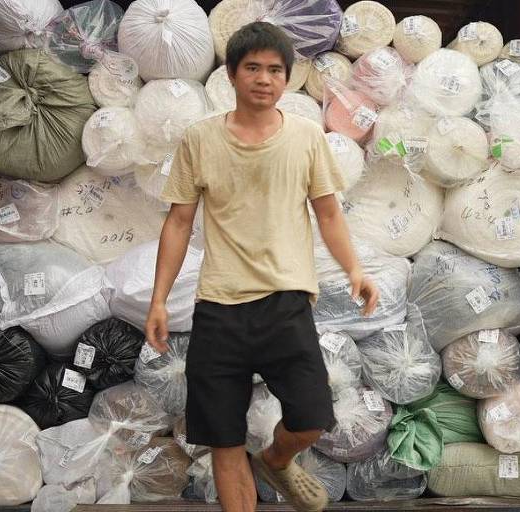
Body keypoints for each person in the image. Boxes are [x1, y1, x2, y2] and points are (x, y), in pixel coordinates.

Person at [145, 21, 379, 512]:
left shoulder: (306, 138)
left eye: (275, 69)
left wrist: (355, 270)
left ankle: (274, 459)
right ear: (231, 74)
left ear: (288, 79)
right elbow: (179, 222)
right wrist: (159, 301)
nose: (264, 78)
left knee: (313, 417)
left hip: (286, 302)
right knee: (224, 440)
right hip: (219, 307)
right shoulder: (200, 139)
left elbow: (329, 212)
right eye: (252, 67)